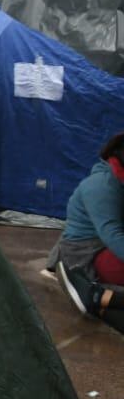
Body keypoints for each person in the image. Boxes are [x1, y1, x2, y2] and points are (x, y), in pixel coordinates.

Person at [57, 132, 124, 330]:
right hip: (88, 254)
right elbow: (111, 234)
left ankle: (100, 300)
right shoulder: (101, 185)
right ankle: (97, 295)